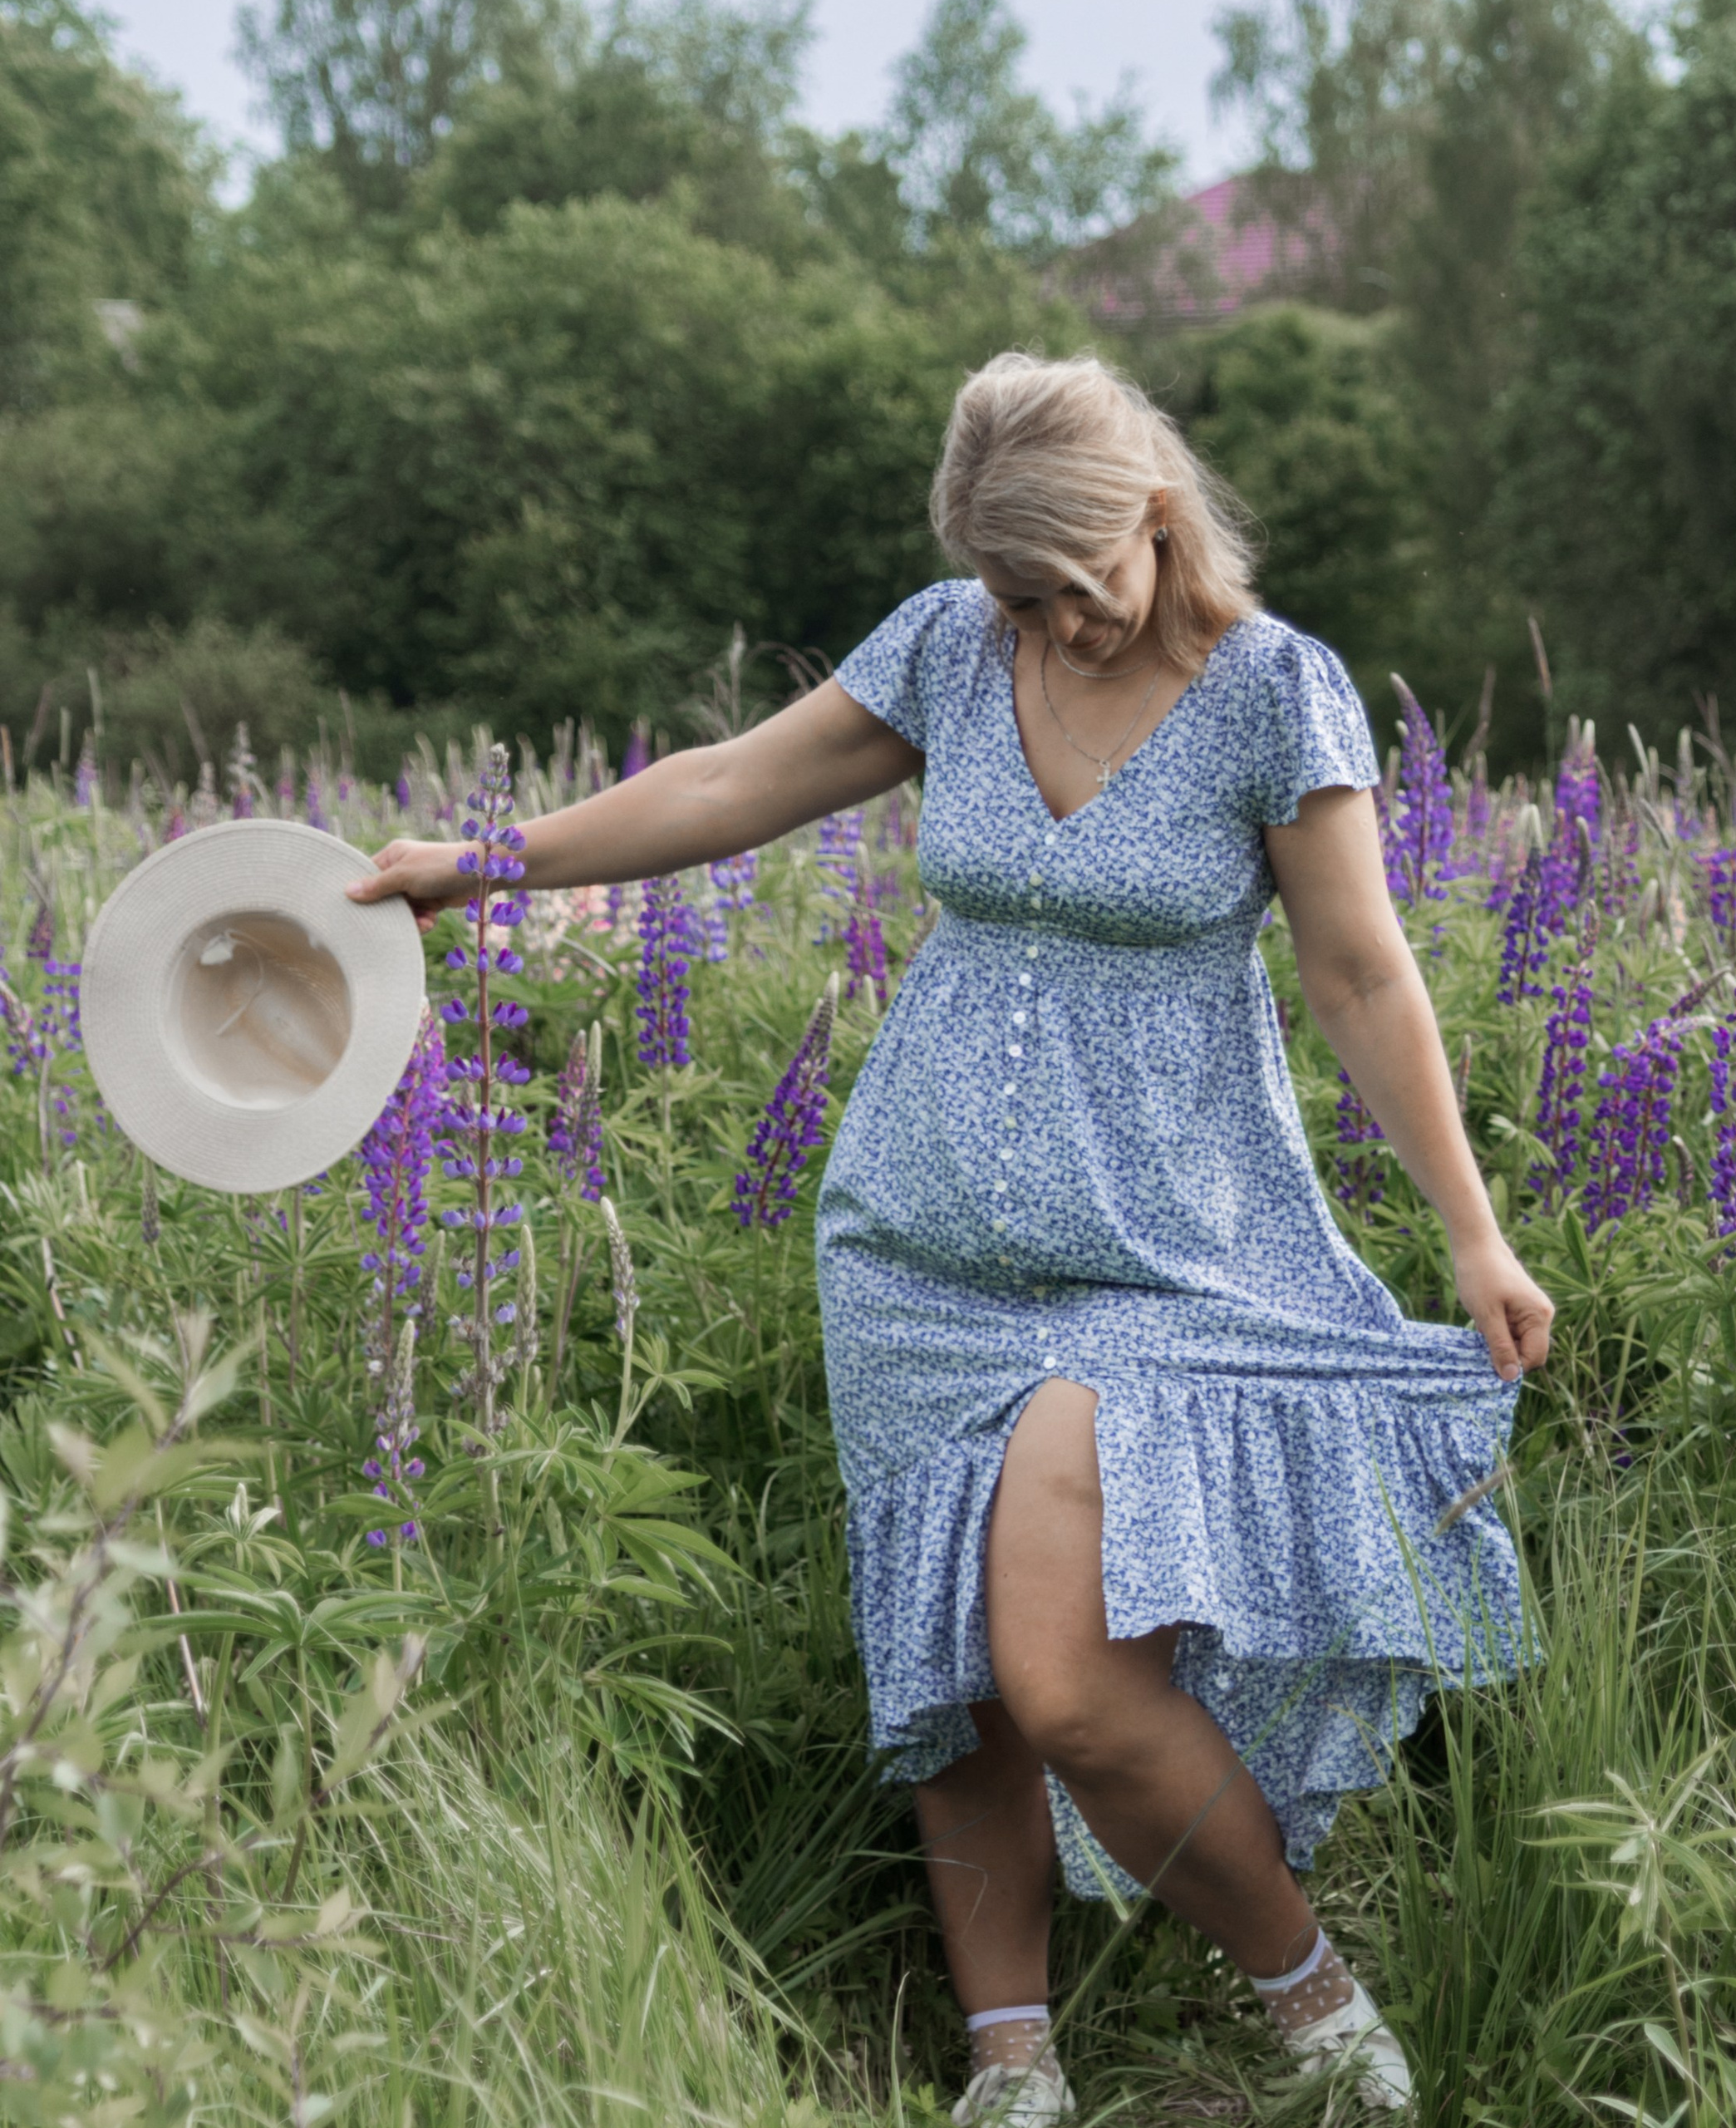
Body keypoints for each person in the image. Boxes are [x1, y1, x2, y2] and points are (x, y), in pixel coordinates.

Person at [352, 349, 1554, 2122]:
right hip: (913, 1238)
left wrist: (1471, 1230)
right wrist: (486, 859)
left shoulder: (1270, 694)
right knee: (955, 1662)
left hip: (1163, 1248)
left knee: (1066, 1676)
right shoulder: (947, 643)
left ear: (1155, 517)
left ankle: (1314, 2010)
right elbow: (718, 787)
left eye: (1078, 586)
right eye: (1016, 593)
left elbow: (1358, 967)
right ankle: (1011, 2058)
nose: (1053, 627)